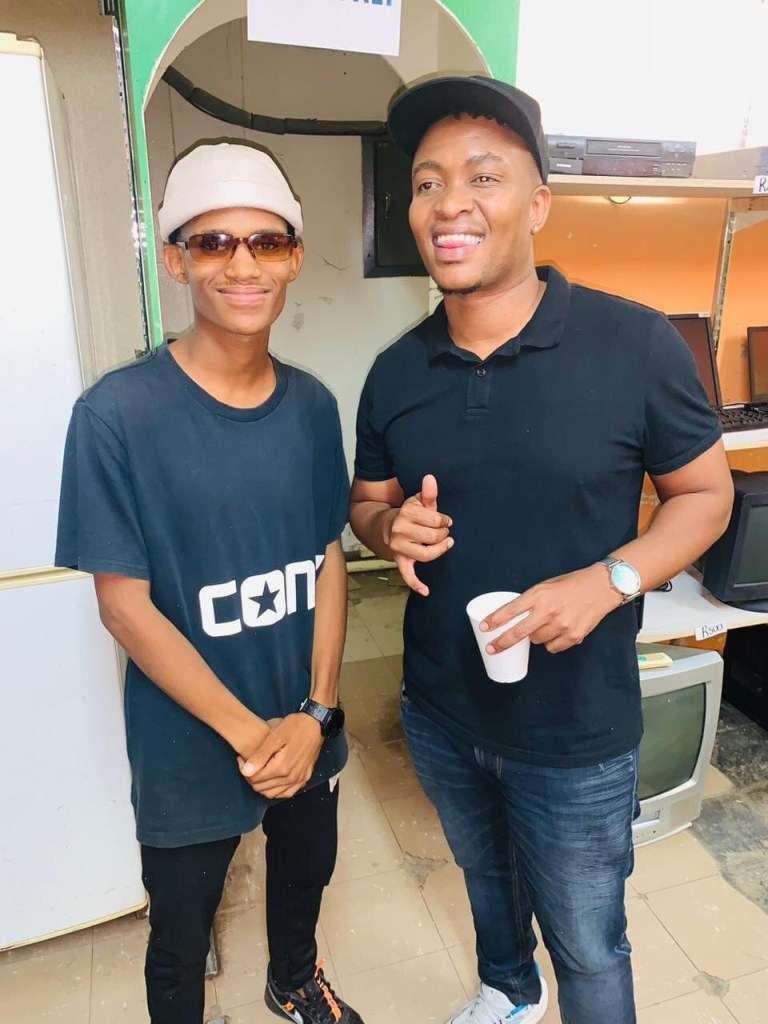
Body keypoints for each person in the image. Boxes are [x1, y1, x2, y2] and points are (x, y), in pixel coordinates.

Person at [349, 76, 734, 1024]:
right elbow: (367, 504)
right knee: (486, 884)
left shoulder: (636, 345)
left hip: (575, 727)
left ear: (538, 204)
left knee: (589, 940)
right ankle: (509, 994)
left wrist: (610, 581)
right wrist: (387, 530)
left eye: (484, 176)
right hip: (441, 707)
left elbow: (706, 496)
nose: (451, 203)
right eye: (429, 182)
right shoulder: (394, 371)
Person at [56, 142, 364, 1024]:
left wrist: (315, 713)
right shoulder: (116, 416)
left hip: (302, 720)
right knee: (181, 936)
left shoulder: (312, 406)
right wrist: (255, 738)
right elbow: (124, 607)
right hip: (191, 741)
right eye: (214, 242)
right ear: (177, 260)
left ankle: (294, 981)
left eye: (266, 242)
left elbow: (328, 559)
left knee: (305, 877)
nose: (242, 264)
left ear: (294, 259)